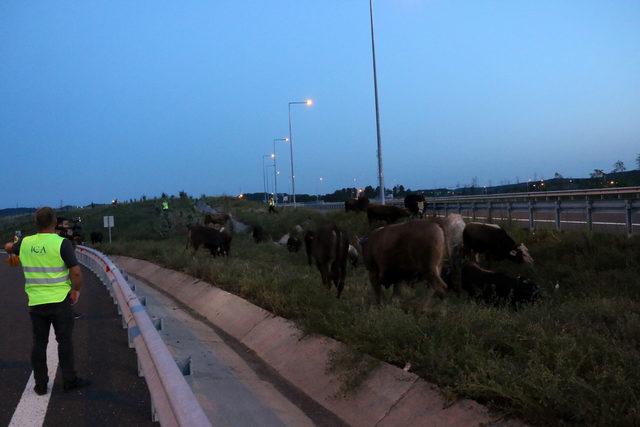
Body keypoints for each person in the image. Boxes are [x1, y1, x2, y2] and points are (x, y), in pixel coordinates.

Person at [4, 207, 90, 395]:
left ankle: (40, 384)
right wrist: (75, 290)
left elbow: (8, 247)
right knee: (64, 341)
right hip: (60, 301)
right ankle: (69, 380)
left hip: (36, 302)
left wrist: (11, 246)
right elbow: (75, 272)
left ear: (36, 223)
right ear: (54, 223)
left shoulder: (26, 243)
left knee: (39, 343)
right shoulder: (62, 244)